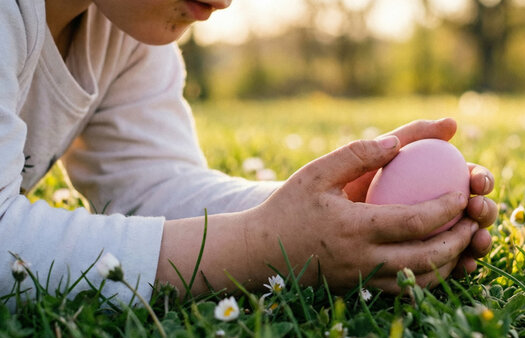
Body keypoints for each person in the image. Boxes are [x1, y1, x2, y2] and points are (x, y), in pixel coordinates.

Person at [1, 0, 497, 306]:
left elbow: (151, 187)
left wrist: (333, 210)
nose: (224, 2)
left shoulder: (127, 33)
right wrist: (263, 248)